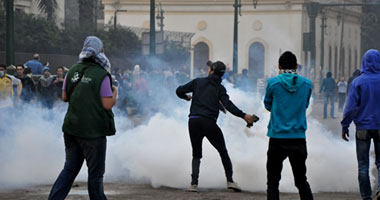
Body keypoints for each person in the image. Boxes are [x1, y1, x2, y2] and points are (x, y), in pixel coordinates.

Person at [48, 36, 117, 200]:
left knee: (69, 169)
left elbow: (64, 97)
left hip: (72, 129)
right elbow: (107, 105)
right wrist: (115, 92)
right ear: (100, 52)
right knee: (95, 174)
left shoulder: (72, 70)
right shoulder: (102, 74)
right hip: (93, 132)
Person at [176, 60, 255, 192]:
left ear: (211, 70)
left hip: (194, 121)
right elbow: (228, 106)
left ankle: (193, 184)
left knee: (196, 154)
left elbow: (179, 90)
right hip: (209, 122)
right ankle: (230, 181)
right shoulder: (220, 88)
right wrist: (243, 115)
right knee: (223, 151)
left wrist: (186, 97)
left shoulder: (198, 82)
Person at [264, 51, 313, 200]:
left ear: (279, 66)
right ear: (297, 66)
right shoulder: (307, 84)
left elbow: (268, 105)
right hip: (298, 138)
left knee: (272, 182)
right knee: (301, 180)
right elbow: (305, 105)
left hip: (277, 138)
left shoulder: (273, 83)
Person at [341, 49, 380, 200]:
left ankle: (366, 196)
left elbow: (350, 108)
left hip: (363, 127)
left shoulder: (358, 82)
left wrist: (345, 126)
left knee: (363, 165)